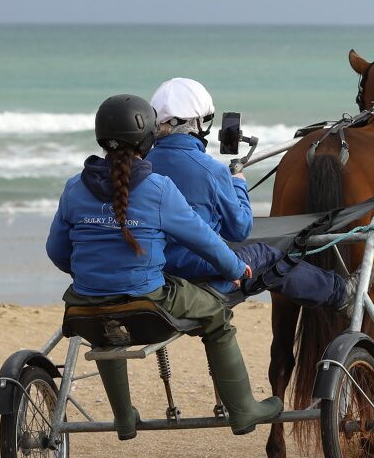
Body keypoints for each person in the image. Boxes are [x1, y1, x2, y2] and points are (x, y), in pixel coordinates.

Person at [46, 94, 283, 440]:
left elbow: (57, 252)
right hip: (149, 309)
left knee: (107, 332)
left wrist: (95, 276)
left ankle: (124, 419)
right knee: (217, 316)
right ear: (147, 139)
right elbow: (204, 240)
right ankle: (244, 410)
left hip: (84, 310)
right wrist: (235, 269)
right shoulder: (158, 189)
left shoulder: (73, 188)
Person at [146, 77, 351, 310]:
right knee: (266, 254)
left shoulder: (141, 164)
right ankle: (341, 293)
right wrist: (238, 184)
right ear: (197, 123)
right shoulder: (212, 171)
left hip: (157, 271)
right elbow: (239, 229)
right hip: (201, 274)